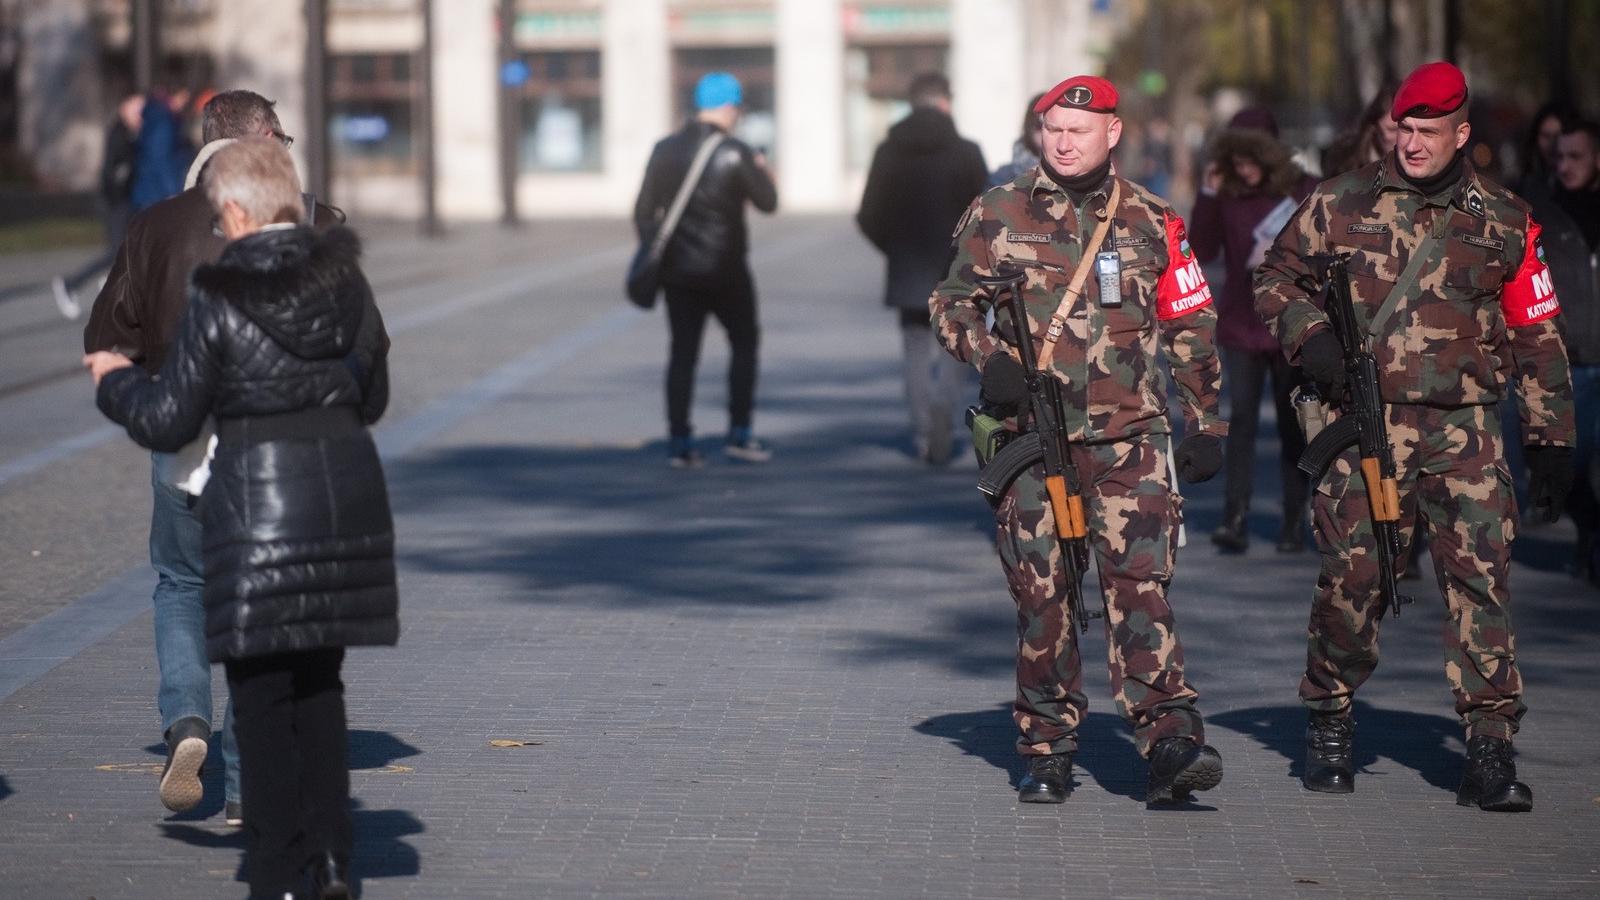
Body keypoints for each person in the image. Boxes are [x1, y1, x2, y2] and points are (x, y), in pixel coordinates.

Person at [1254, 61, 1575, 811]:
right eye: (1405, 129)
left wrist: (1551, 437)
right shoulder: (1338, 202)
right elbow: (1275, 280)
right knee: (1354, 581)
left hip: (1464, 435)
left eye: (1430, 132)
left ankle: (1490, 750)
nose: (1414, 143)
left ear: (1462, 133)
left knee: (1481, 584)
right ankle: (1330, 715)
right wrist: (1312, 340)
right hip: (1365, 430)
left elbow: (1536, 332)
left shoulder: (1504, 219)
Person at [86, 137, 396, 900]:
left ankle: (276, 871)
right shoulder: (346, 283)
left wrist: (112, 380)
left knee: (259, 702)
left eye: (220, 223)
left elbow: (168, 417)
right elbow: (375, 396)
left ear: (232, 210)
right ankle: (329, 865)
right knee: (322, 693)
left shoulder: (218, 297)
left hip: (255, 511)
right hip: (343, 508)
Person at [931, 74, 1229, 805]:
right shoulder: (997, 213)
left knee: (1142, 592)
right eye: (1053, 130)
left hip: (1130, 443)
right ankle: (1048, 744)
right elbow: (949, 304)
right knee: (1045, 598)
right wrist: (989, 357)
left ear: (1113, 133)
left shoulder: (1155, 222)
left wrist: (1209, 422)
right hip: (1034, 446)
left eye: (1078, 130)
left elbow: (1191, 325)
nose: (1064, 142)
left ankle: (1168, 741)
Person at [82, 89, 339, 828]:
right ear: (263, 140)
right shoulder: (315, 222)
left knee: (183, 584)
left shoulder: (156, 226)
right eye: (283, 137)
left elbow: (108, 334)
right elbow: (358, 346)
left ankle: (189, 721)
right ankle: (252, 777)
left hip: (185, 444)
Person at [633, 71, 778, 467]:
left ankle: (680, 439)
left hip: (679, 273)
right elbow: (768, 203)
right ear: (729, 107)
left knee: (682, 353)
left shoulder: (664, 150)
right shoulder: (737, 151)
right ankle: (740, 432)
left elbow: (643, 213)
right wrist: (761, 168)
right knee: (744, 345)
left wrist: (661, 250)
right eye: (738, 108)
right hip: (728, 271)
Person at [1191, 107, 1317, 553]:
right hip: (1242, 323)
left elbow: (1326, 247)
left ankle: (1292, 518)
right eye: (1236, 160)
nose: (1243, 169)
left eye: (1251, 159)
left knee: (1292, 424)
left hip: (1290, 322)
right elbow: (1202, 248)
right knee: (1240, 421)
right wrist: (1207, 193)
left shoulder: (1303, 190)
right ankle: (1235, 516)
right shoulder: (1226, 194)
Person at [856, 72, 988, 465]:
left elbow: (867, 214)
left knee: (915, 350)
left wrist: (894, 248)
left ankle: (921, 433)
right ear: (945, 102)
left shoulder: (888, 151)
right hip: (957, 270)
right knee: (956, 347)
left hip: (908, 269)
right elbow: (985, 216)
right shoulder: (966, 152)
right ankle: (944, 405)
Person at [1531, 121, 1600, 581]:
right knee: (1564, 462)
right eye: (1559, 157)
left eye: (1575, 156)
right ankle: (1590, 531)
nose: (1565, 165)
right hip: (1570, 354)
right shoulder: (1542, 211)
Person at [51, 94, 143, 319]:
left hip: (124, 202)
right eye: (136, 108)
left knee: (128, 249)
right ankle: (71, 284)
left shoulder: (131, 134)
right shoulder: (119, 134)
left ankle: (109, 286)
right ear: (124, 107)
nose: (139, 114)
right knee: (117, 251)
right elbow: (112, 172)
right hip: (115, 203)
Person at [1322, 85, 1399, 177]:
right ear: (1375, 128)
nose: (1404, 138)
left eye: (1408, 129)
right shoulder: (1347, 163)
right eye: (1393, 130)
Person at [987, 92, 1045, 187]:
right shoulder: (1003, 177)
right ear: (1029, 126)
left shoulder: (1072, 174)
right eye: (1040, 125)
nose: (1046, 132)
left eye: (1055, 128)